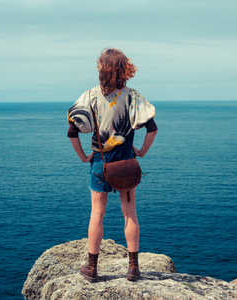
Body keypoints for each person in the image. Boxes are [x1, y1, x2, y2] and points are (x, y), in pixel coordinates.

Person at [67, 48, 158, 283]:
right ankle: (133, 269)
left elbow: (72, 131)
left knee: (97, 214)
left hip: (101, 162)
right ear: (123, 69)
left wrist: (83, 156)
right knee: (129, 213)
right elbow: (152, 129)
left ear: (101, 69)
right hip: (126, 162)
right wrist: (142, 151)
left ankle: (92, 269)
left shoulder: (89, 96)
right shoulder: (132, 96)